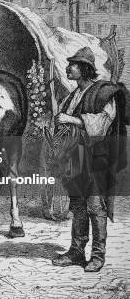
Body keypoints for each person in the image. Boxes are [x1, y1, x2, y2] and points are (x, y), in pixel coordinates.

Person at [51, 47, 127, 272]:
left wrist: (71, 120)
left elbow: (103, 123)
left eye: (73, 64)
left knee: (95, 206)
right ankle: (76, 251)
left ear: (85, 69)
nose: (68, 68)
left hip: (96, 158)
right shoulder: (70, 97)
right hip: (77, 159)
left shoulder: (103, 93)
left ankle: (97, 255)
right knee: (78, 206)